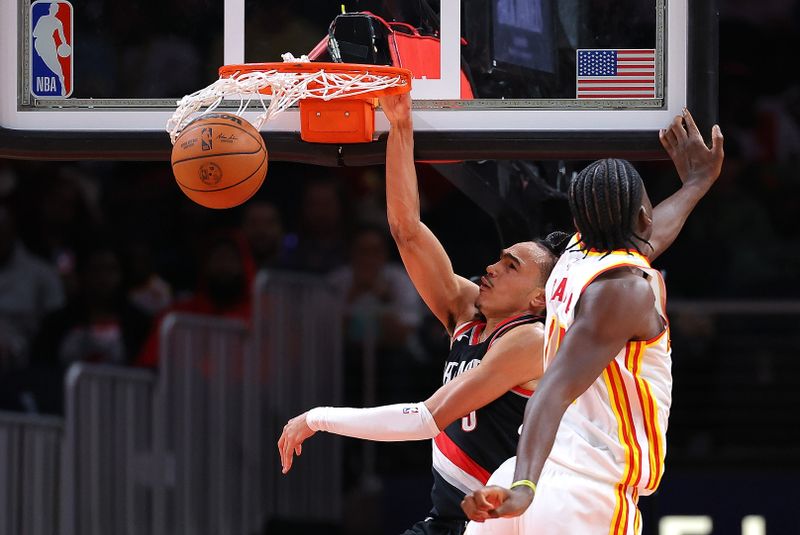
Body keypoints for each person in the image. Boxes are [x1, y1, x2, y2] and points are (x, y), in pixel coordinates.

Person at [279, 93, 558, 535]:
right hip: (446, 520)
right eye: (498, 258)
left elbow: (426, 419)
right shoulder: (466, 312)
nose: (492, 267)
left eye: (511, 266)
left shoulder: (531, 340)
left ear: (539, 299)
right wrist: (400, 125)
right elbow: (406, 231)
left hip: (497, 523)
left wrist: (318, 418)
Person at [460, 109, 724, 534]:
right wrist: (526, 488)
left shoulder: (576, 254)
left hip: (525, 469)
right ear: (641, 218)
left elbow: (648, 238)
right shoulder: (625, 291)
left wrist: (696, 184)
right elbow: (552, 390)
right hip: (585, 495)